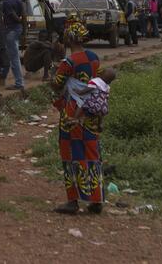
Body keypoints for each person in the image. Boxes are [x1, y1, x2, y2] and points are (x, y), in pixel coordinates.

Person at [51, 18, 104, 215]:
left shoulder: (69, 62)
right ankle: (96, 200)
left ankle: (72, 201)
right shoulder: (94, 57)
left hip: (72, 112)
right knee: (92, 154)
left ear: (70, 38)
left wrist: (51, 73)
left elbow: (57, 84)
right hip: (91, 111)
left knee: (70, 154)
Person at [66, 67, 116, 133]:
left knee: (81, 102)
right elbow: (106, 98)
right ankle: (100, 123)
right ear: (109, 81)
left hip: (93, 105)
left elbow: (88, 89)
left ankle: (75, 118)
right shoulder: (107, 87)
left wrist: (79, 92)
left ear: (101, 74)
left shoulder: (96, 81)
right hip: (103, 108)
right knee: (98, 112)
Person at [0, 0, 24, 90]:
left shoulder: (7, 1)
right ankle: (7, 78)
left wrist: (18, 20)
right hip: (17, 30)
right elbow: (23, 14)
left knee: (14, 58)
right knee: (13, 56)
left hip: (11, 30)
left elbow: (13, 15)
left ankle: (19, 83)